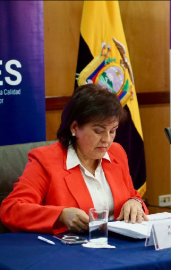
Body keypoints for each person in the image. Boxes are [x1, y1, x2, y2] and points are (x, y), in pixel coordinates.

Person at [1, 84, 149, 234]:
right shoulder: (45, 160)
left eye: (112, 131)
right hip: (70, 250)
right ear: (74, 127)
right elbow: (11, 209)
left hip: (119, 247)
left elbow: (132, 195)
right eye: (98, 131)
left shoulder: (116, 153)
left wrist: (135, 202)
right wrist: (60, 215)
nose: (107, 139)